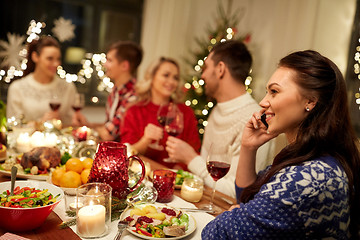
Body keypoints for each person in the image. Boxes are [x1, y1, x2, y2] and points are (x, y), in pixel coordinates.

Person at [202, 50, 360, 239]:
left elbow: (217, 233)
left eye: (274, 92)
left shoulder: (310, 178)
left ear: (310, 101)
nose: (263, 102)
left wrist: (234, 215)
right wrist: (249, 147)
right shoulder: (309, 157)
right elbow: (247, 199)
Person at [165, 40, 274, 198]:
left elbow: (236, 194)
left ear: (221, 69)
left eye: (206, 67)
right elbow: (203, 179)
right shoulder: (216, 110)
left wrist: (190, 158)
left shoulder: (256, 121)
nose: (202, 75)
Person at [121, 57, 201, 168]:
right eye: (166, 75)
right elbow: (126, 154)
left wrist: (175, 173)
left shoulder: (185, 112)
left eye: (175, 78)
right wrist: (145, 140)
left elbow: (194, 150)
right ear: (152, 77)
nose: (172, 82)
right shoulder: (134, 111)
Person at [74, 41, 143, 141]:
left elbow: (109, 135)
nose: (105, 64)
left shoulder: (133, 95)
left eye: (110, 60)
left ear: (124, 66)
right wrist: (86, 125)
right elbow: (108, 126)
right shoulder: (116, 90)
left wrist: (90, 128)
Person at [7, 36, 77, 125]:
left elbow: (72, 125)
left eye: (58, 59)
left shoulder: (68, 87)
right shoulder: (17, 88)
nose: (56, 64)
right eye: (50, 58)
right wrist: (40, 123)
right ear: (35, 57)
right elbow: (13, 126)